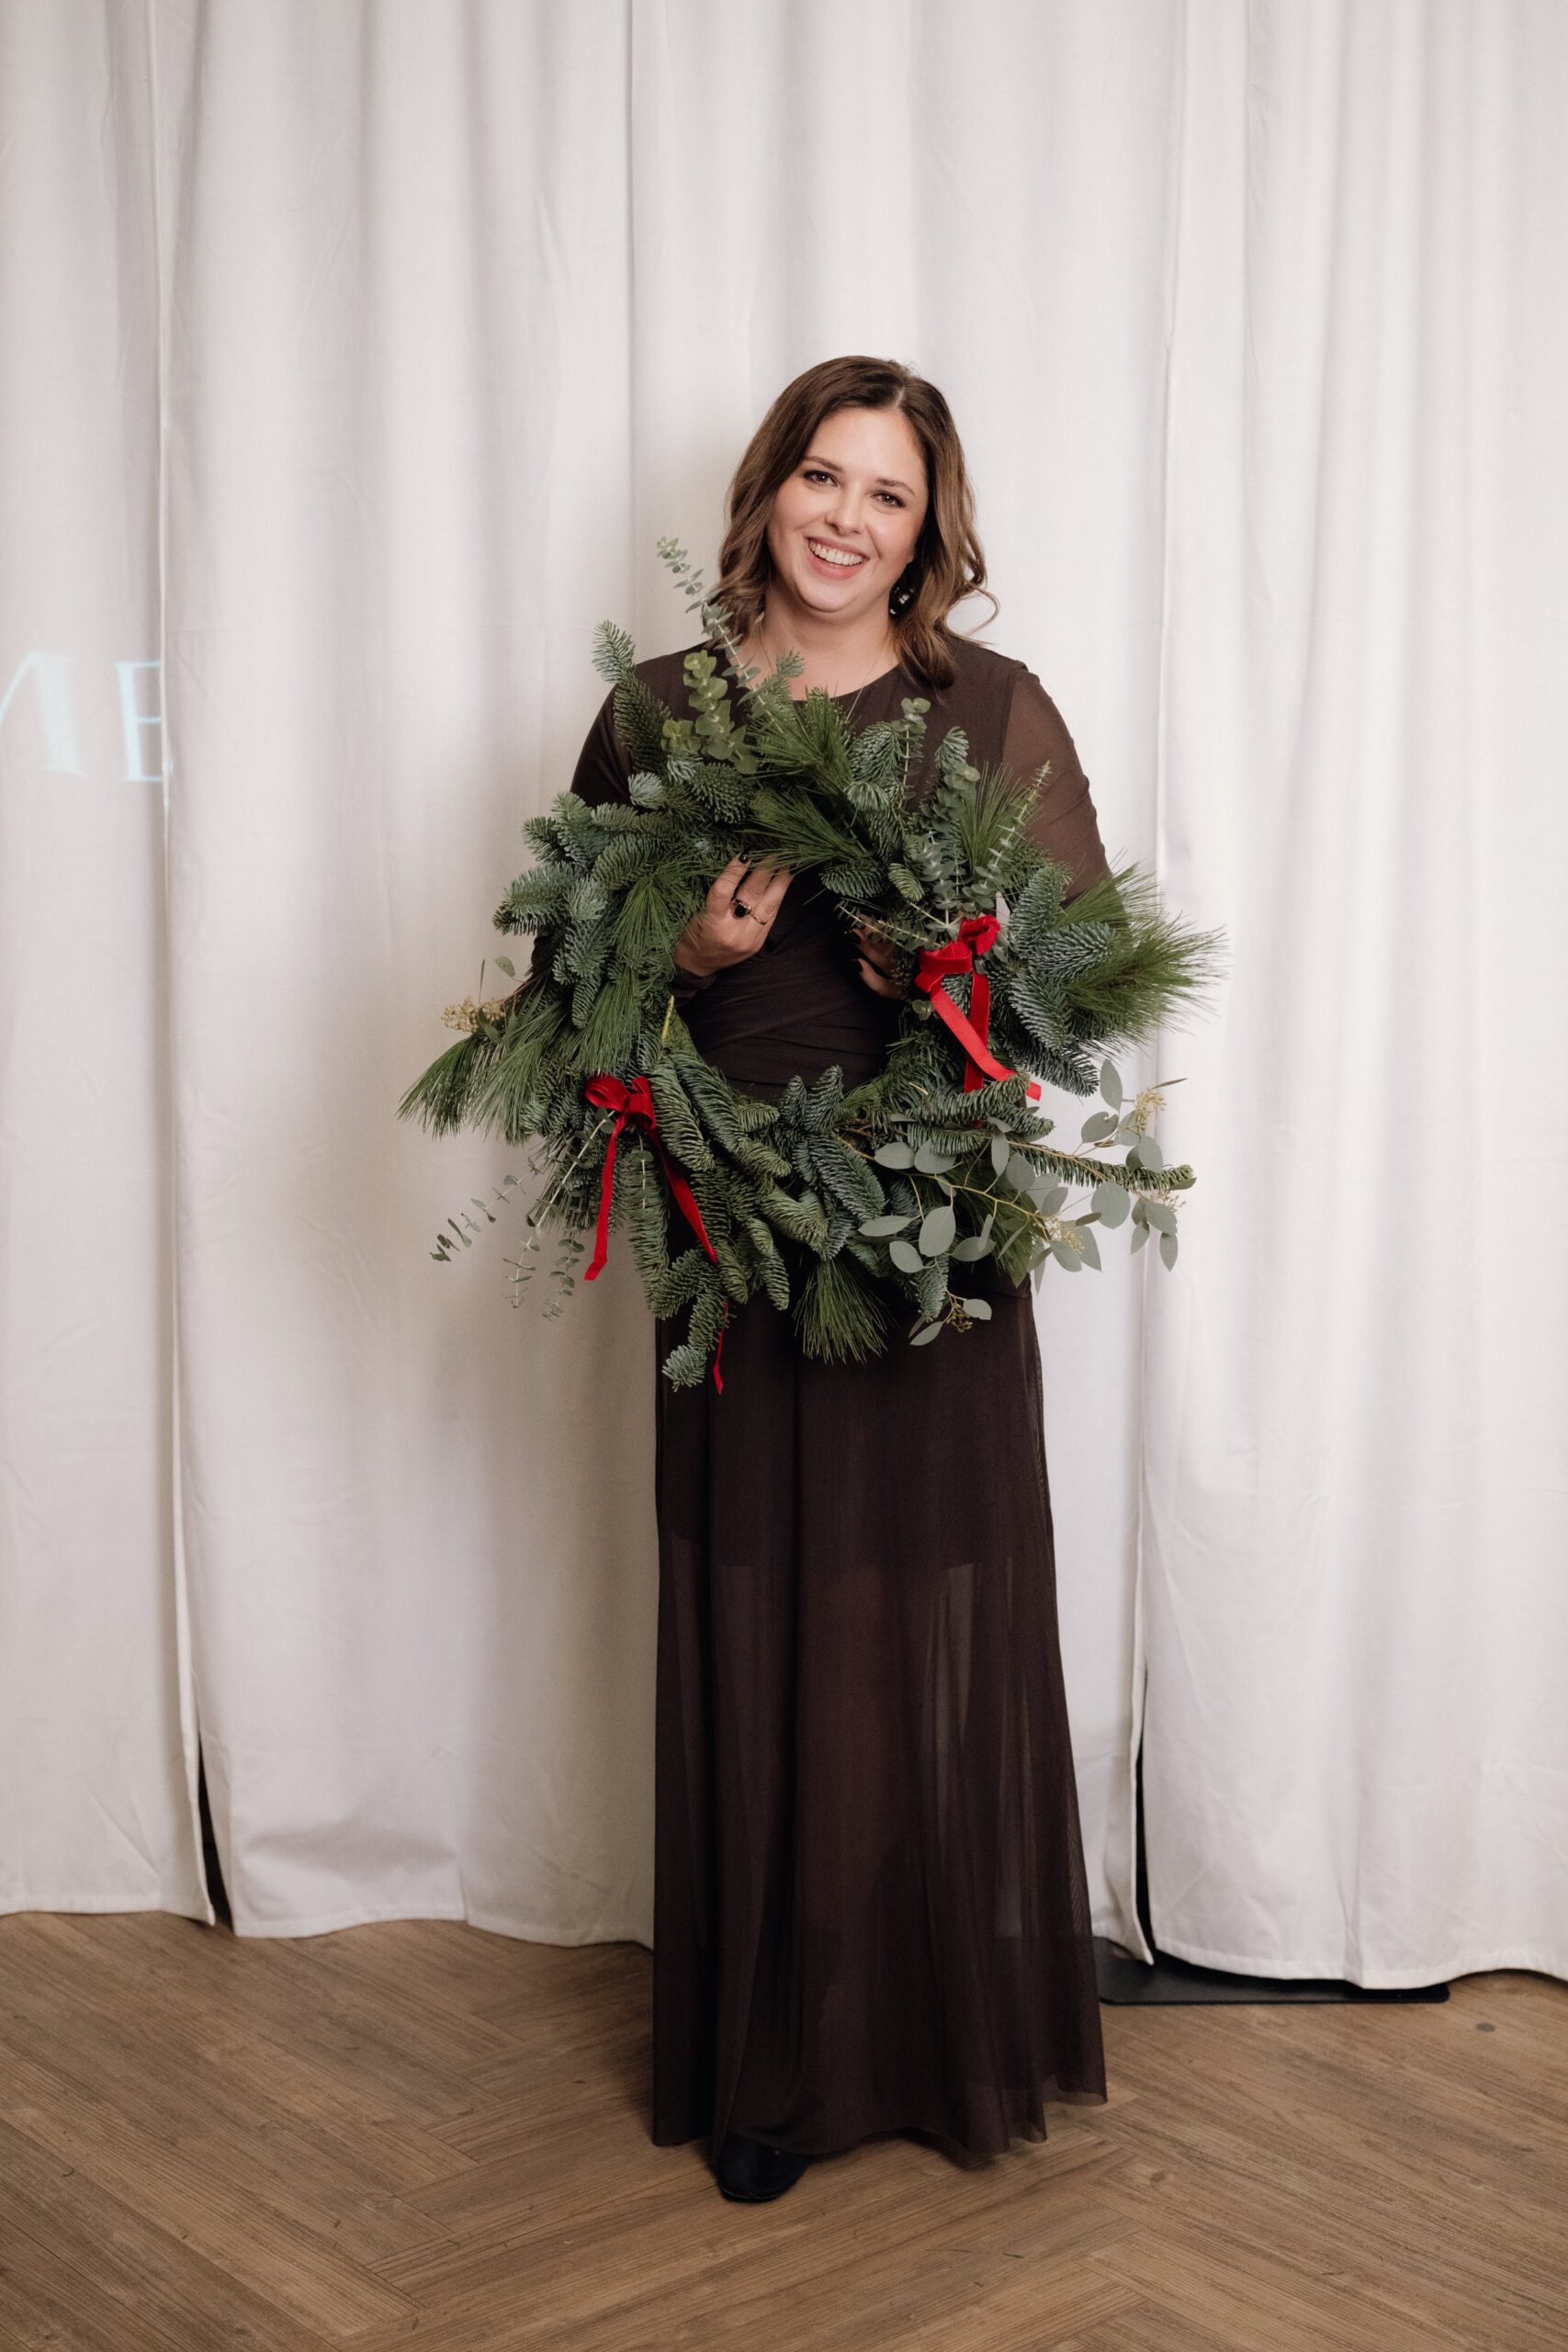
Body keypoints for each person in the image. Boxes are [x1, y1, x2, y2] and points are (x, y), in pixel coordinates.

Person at [567, 356, 1111, 2204]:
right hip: (727, 1239)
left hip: (925, 1244)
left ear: (927, 529)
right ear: (768, 488)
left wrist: (939, 968)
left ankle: (914, 2025)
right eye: (822, 474)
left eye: (886, 492)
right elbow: (568, 993)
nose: (846, 517)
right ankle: (770, 2055)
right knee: (754, 1610)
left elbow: (1070, 990)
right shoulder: (658, 712)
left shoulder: (991, 714)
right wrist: (694, 958)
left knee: (904, 1613)